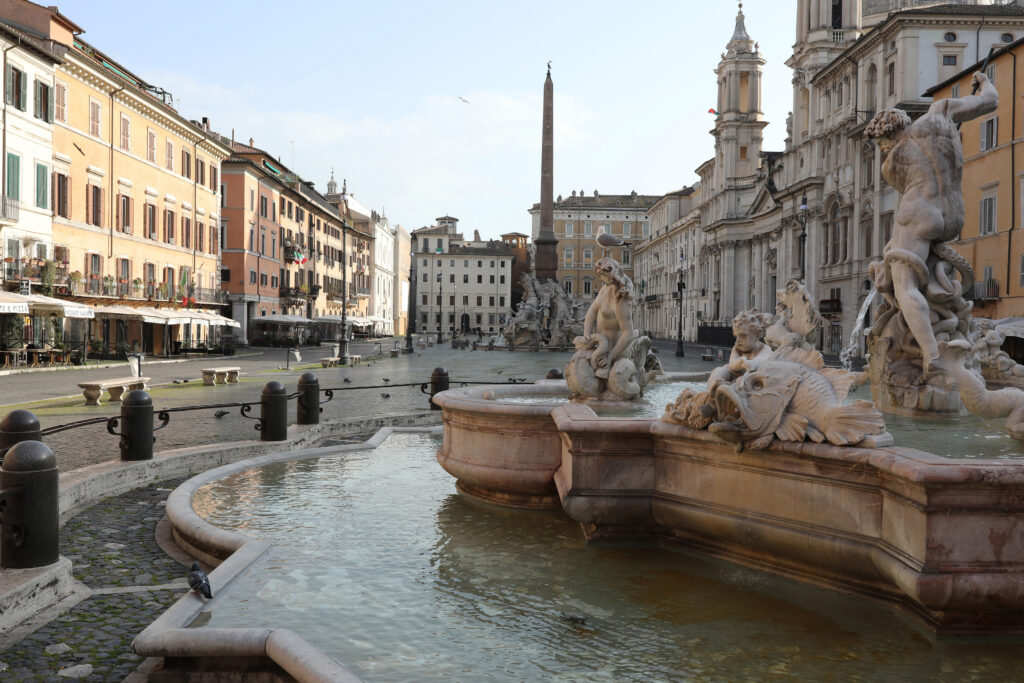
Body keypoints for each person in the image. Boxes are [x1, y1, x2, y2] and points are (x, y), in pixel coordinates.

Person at [866, 70, 997, 377]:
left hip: (919, 212)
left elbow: (911, 181)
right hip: (953, 214)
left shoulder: (890, 164)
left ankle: (931, 353)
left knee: (903, 281)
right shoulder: (940, 113)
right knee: (897, 258)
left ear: (887, 136)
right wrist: (984, 80)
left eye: (881, 143)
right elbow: (991, 101)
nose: (882, 149)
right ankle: (938, 322)